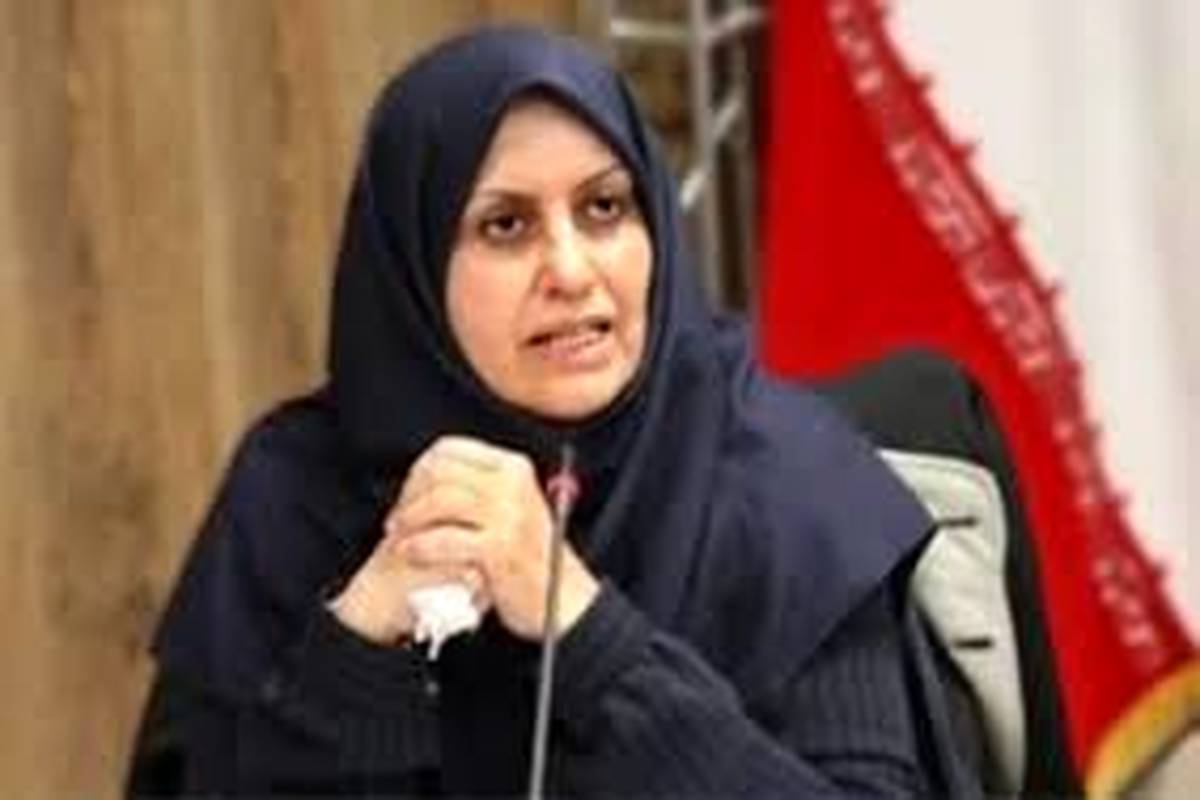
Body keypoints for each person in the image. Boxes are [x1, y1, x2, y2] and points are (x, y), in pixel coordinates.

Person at [126, 26, 974, 797]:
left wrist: (585, 629)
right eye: (506, 226)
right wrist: (355, 657)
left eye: (604, 208)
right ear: (410, 265)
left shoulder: (788, 488)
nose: (570, 271)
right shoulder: (293, 501)